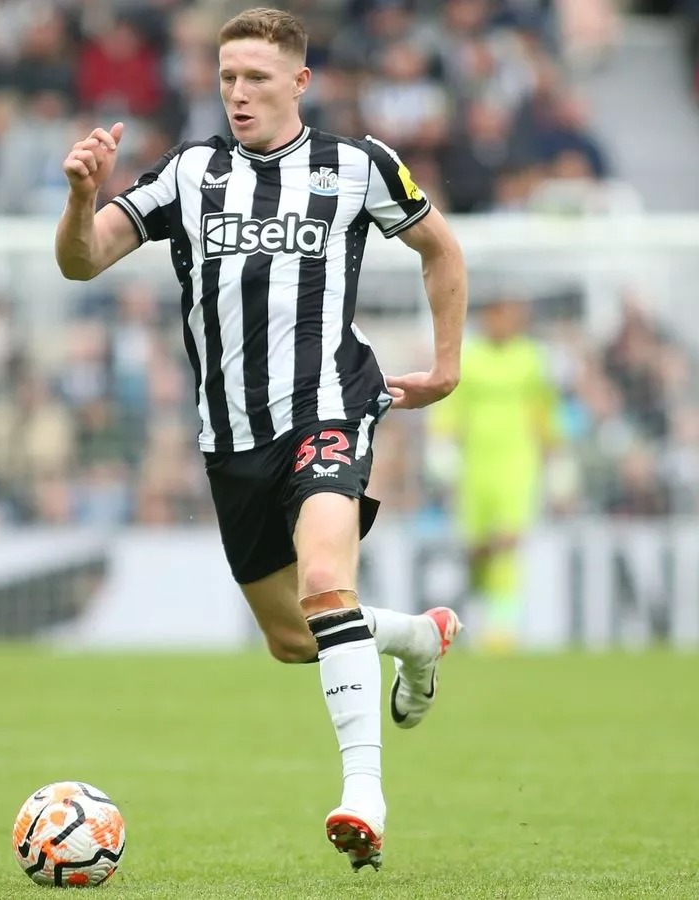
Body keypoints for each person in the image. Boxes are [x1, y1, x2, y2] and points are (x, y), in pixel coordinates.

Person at [53, 7, 468, 872]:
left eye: (256, 79)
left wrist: (446, 366)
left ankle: (364, 797)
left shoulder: (356, 166)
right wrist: (81, 197)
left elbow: (440, 250)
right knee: (293, 637)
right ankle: (416, 640)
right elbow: (82, 260)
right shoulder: (189, 173)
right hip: (233, 435)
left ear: (300, 82)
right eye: (227, 79)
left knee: (325, 580)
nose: (237, 94)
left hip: (331, 405)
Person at [428, 297, 560, 652]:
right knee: (477, 549)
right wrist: (440, 442)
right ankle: (477, 616)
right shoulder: (469, 357)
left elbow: (544, 409)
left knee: (507, 541)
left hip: (518, 464)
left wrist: (556, 454)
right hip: (474, 467)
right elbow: (451, 404)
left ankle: (502, 627)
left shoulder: (531, 358)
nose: (502, 321)